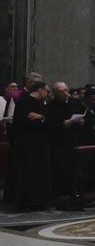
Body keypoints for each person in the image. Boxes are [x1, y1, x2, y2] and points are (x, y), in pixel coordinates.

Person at [9, 81, 51, 209]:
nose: (48, 94)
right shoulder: (25, 102)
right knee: (28, 175)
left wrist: (42, 117)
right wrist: (42, 118)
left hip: (39, 145)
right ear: (40, 89)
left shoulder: (41, 104)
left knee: (39, 174)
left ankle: (39, 201)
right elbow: (28, 122)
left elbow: (47, 119)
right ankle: (27, 202)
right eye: (47, 91)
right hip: (27, 146)